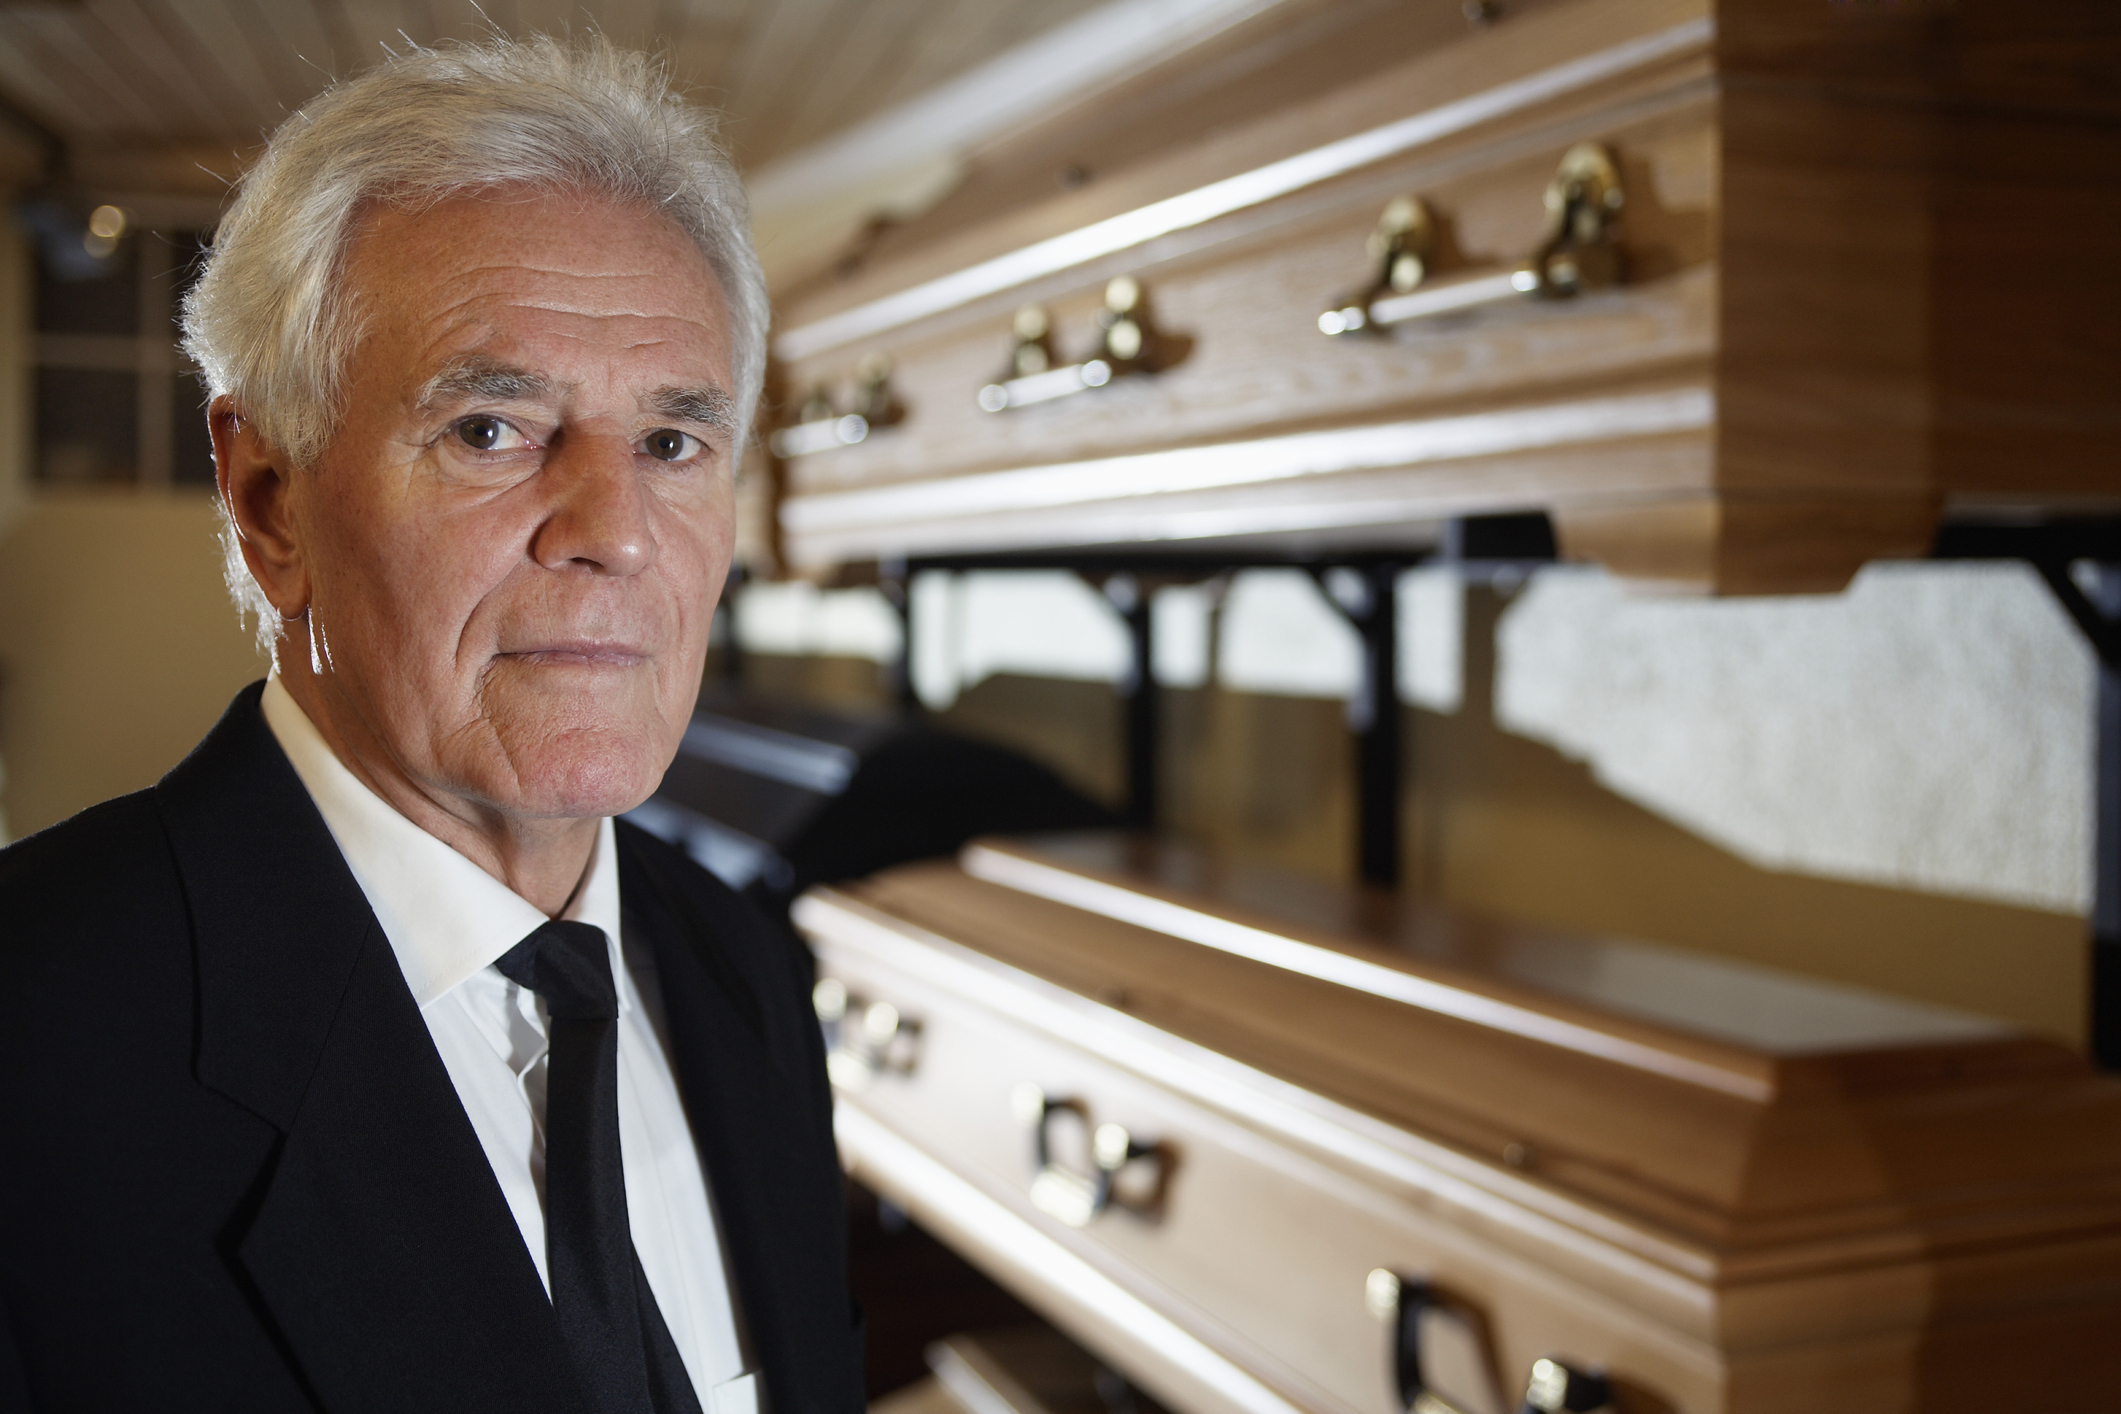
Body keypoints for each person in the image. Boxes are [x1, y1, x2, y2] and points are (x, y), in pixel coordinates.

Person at [0, 35, 864, 1414]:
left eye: (672, 443)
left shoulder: (741, 969)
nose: (614, 535)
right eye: (488, 428)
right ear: (269, 501)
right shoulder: (31, 1046)